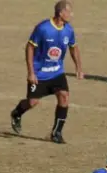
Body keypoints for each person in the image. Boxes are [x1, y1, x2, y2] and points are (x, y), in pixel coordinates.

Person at [10, 0, 84, 144]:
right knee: (32, 102)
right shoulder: (43, 28)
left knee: (64, 96)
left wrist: (78, 68)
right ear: (61, 13)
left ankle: (56, 133)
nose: (72, 14)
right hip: (39, 73)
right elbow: (30, 48)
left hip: (57, 72)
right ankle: (17, 113)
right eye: (69, 11)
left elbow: (73, 47)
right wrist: (31, 72)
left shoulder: (68, 30)